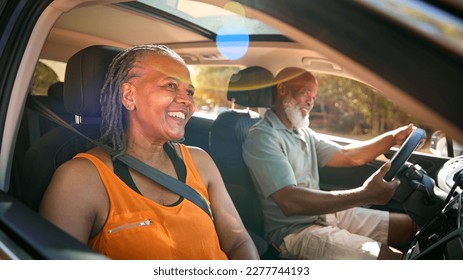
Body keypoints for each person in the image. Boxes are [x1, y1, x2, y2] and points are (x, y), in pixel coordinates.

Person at [39, 44, 259, 260]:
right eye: (171, 85)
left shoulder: (200, 161)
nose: (187, 100)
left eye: (189, 91)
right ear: (129, 96)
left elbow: (239, 241)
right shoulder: (80, 179)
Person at [242, 67, 417, 260]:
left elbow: (348, 155)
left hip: (322, 214)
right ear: (282, 90)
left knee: (408, 226)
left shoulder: (303, 132)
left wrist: (392, 138)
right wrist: (364, 195)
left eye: (314, 97)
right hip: (293, 232)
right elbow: (290, 201)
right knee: (389, 258)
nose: (311, 101)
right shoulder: (262, 137)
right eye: (306, 93)